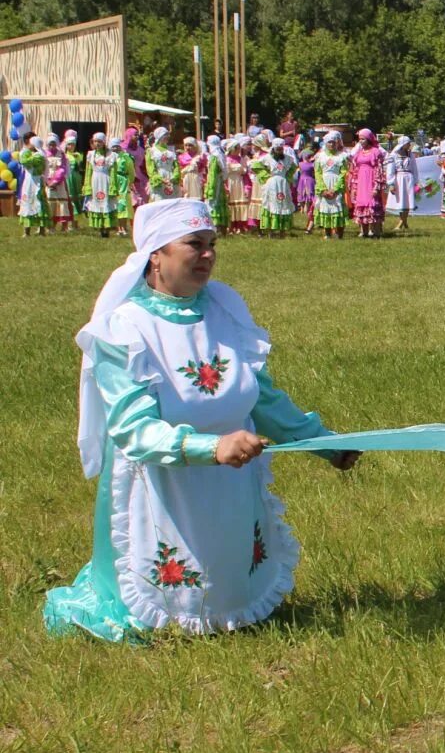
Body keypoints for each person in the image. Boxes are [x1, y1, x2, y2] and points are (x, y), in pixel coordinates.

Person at [42, 199, 359, 642]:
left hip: (231, 482)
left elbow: (261, 397)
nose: (208, 255)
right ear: (156, 254)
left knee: (229, 586)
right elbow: (134, 430)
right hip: (160, 481)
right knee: (163, 606)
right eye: (194, 244)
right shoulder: (124, 329)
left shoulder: (224, 313)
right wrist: (213, 447)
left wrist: (327, 445)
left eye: (212, 244)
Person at [348, 129, 385, 240]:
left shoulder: (375, 152)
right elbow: (355, 169)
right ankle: (363, 231)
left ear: (368, 139)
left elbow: (379, 169)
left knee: (373, 204)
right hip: (361, 182)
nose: (361, 141)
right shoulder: (358, 154)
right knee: (361, 205)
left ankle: (376, 231)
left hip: (371, 180)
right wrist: (354, 185)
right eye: (359, 139)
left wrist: (377, 186)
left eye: (363, 139)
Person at [256, 138, 296, 237]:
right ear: (273, 148)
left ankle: (282, 230)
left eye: (281, 149)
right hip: (272, 183)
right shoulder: (267, 157)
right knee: (271, 204)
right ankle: (271, 231)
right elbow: (255, 165)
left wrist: (288, 177)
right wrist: (265, 176)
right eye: (278, 149)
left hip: (283, 183)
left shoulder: (288, 158)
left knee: (283, 204)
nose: (280, 151)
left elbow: (293, 167)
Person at [313, 133, 350, 240]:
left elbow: (344, 172)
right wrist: (323, 189)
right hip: (324, 182)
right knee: (325, 208)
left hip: (336, 183)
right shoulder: (320, 156)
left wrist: (336, 188)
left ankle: (339, 234)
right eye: (329, 142)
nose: (331, 144)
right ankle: (327, 234)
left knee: (338, 207)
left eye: (333, 142)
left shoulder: (341, 156)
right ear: (325, 143)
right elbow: (317, 173)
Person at [83, 133, 116, 237]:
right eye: (95, 141)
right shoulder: (91, 154)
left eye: (99, 141)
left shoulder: (111, 155)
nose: (97, 144)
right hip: (95, 181)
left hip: (105, 180)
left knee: (106, 203)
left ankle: (107, 227)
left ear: (104, 142)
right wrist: (87, 185)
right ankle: (100, 227)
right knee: (96, 203)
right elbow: (88, 171)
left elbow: (113, 172)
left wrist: (112, 186)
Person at [385, 136, 417, 233]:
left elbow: (414, 167)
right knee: (401, 201)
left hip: (409, 178)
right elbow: (390, 170)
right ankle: (404, 222)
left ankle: (401, 223)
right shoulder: (394, 155)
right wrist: (391, 183)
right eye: (408, 143)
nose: (409, 145)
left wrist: (415, 180)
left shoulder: (410, 154)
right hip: (399, 178)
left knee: (407, 201)